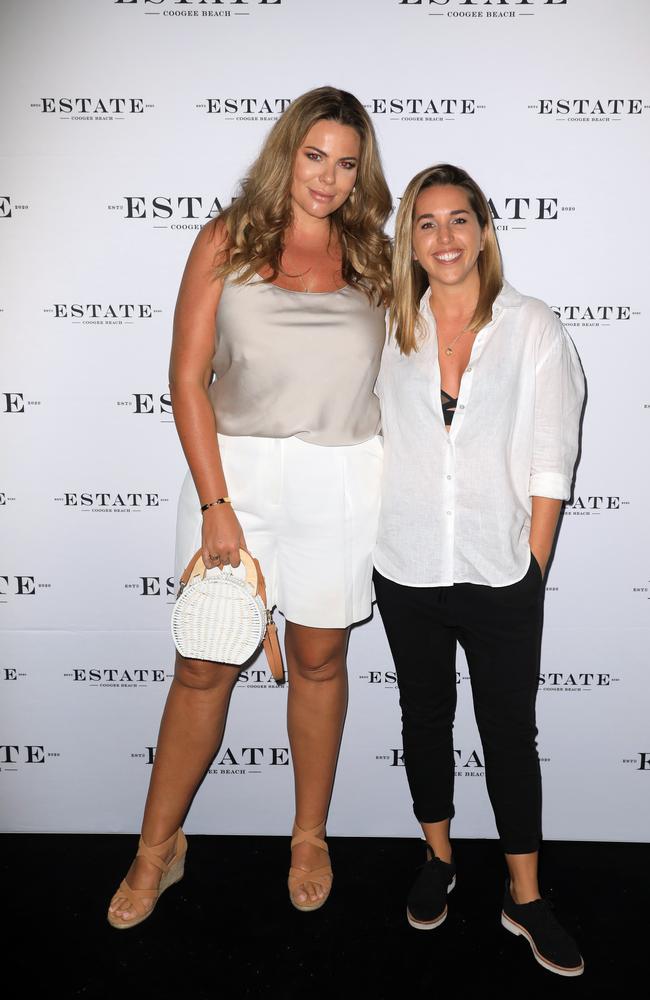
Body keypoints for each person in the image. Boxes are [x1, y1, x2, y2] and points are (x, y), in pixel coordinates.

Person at [107, 86, 391, 928]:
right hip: (233, 481)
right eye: (315, 156)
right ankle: (157, 847)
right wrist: (216, 503)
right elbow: (187, 378)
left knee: (319, 661)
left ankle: (309, 834)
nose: (328, 178)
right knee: (202, 666)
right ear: (287, 152)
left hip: (342, 478)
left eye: (346, 163)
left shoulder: (375, 257)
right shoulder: (226, 239)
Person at [373, 164, 585, 976]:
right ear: (410, 242)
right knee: (424, 719)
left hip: (501, 572)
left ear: (486, 230)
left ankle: (524, 899)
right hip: (407, 565)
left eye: (460, 220)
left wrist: (530, 566)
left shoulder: (532, 326)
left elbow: (550, 457)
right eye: (426, 224)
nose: (446, 237)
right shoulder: (390, 327)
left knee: (509, 736)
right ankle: (439, 858)